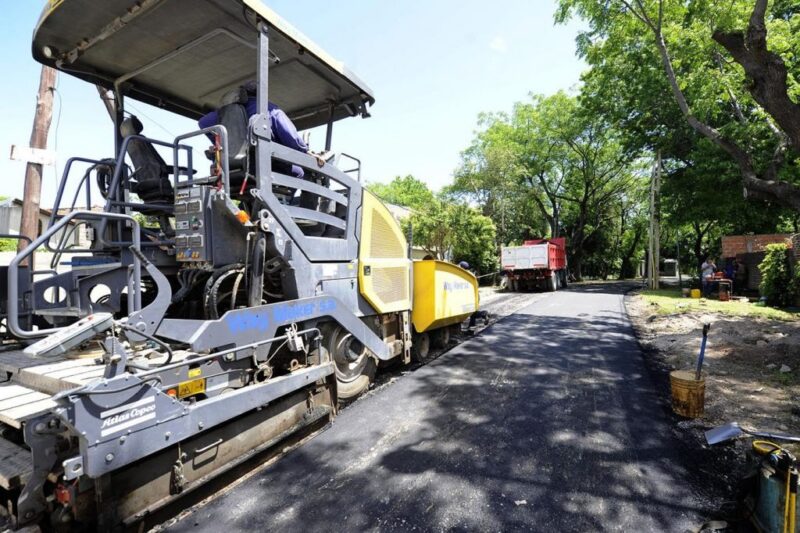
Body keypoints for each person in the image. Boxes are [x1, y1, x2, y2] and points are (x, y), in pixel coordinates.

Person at [198, 81, 324, 178]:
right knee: (299, 173)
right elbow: (289, 135)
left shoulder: (225, 113)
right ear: (261, 94)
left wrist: (222, 144)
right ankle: (282, 203)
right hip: (261, 165)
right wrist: (305, 151)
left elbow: (203, 122)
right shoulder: (269, 109)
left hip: (229, 167)